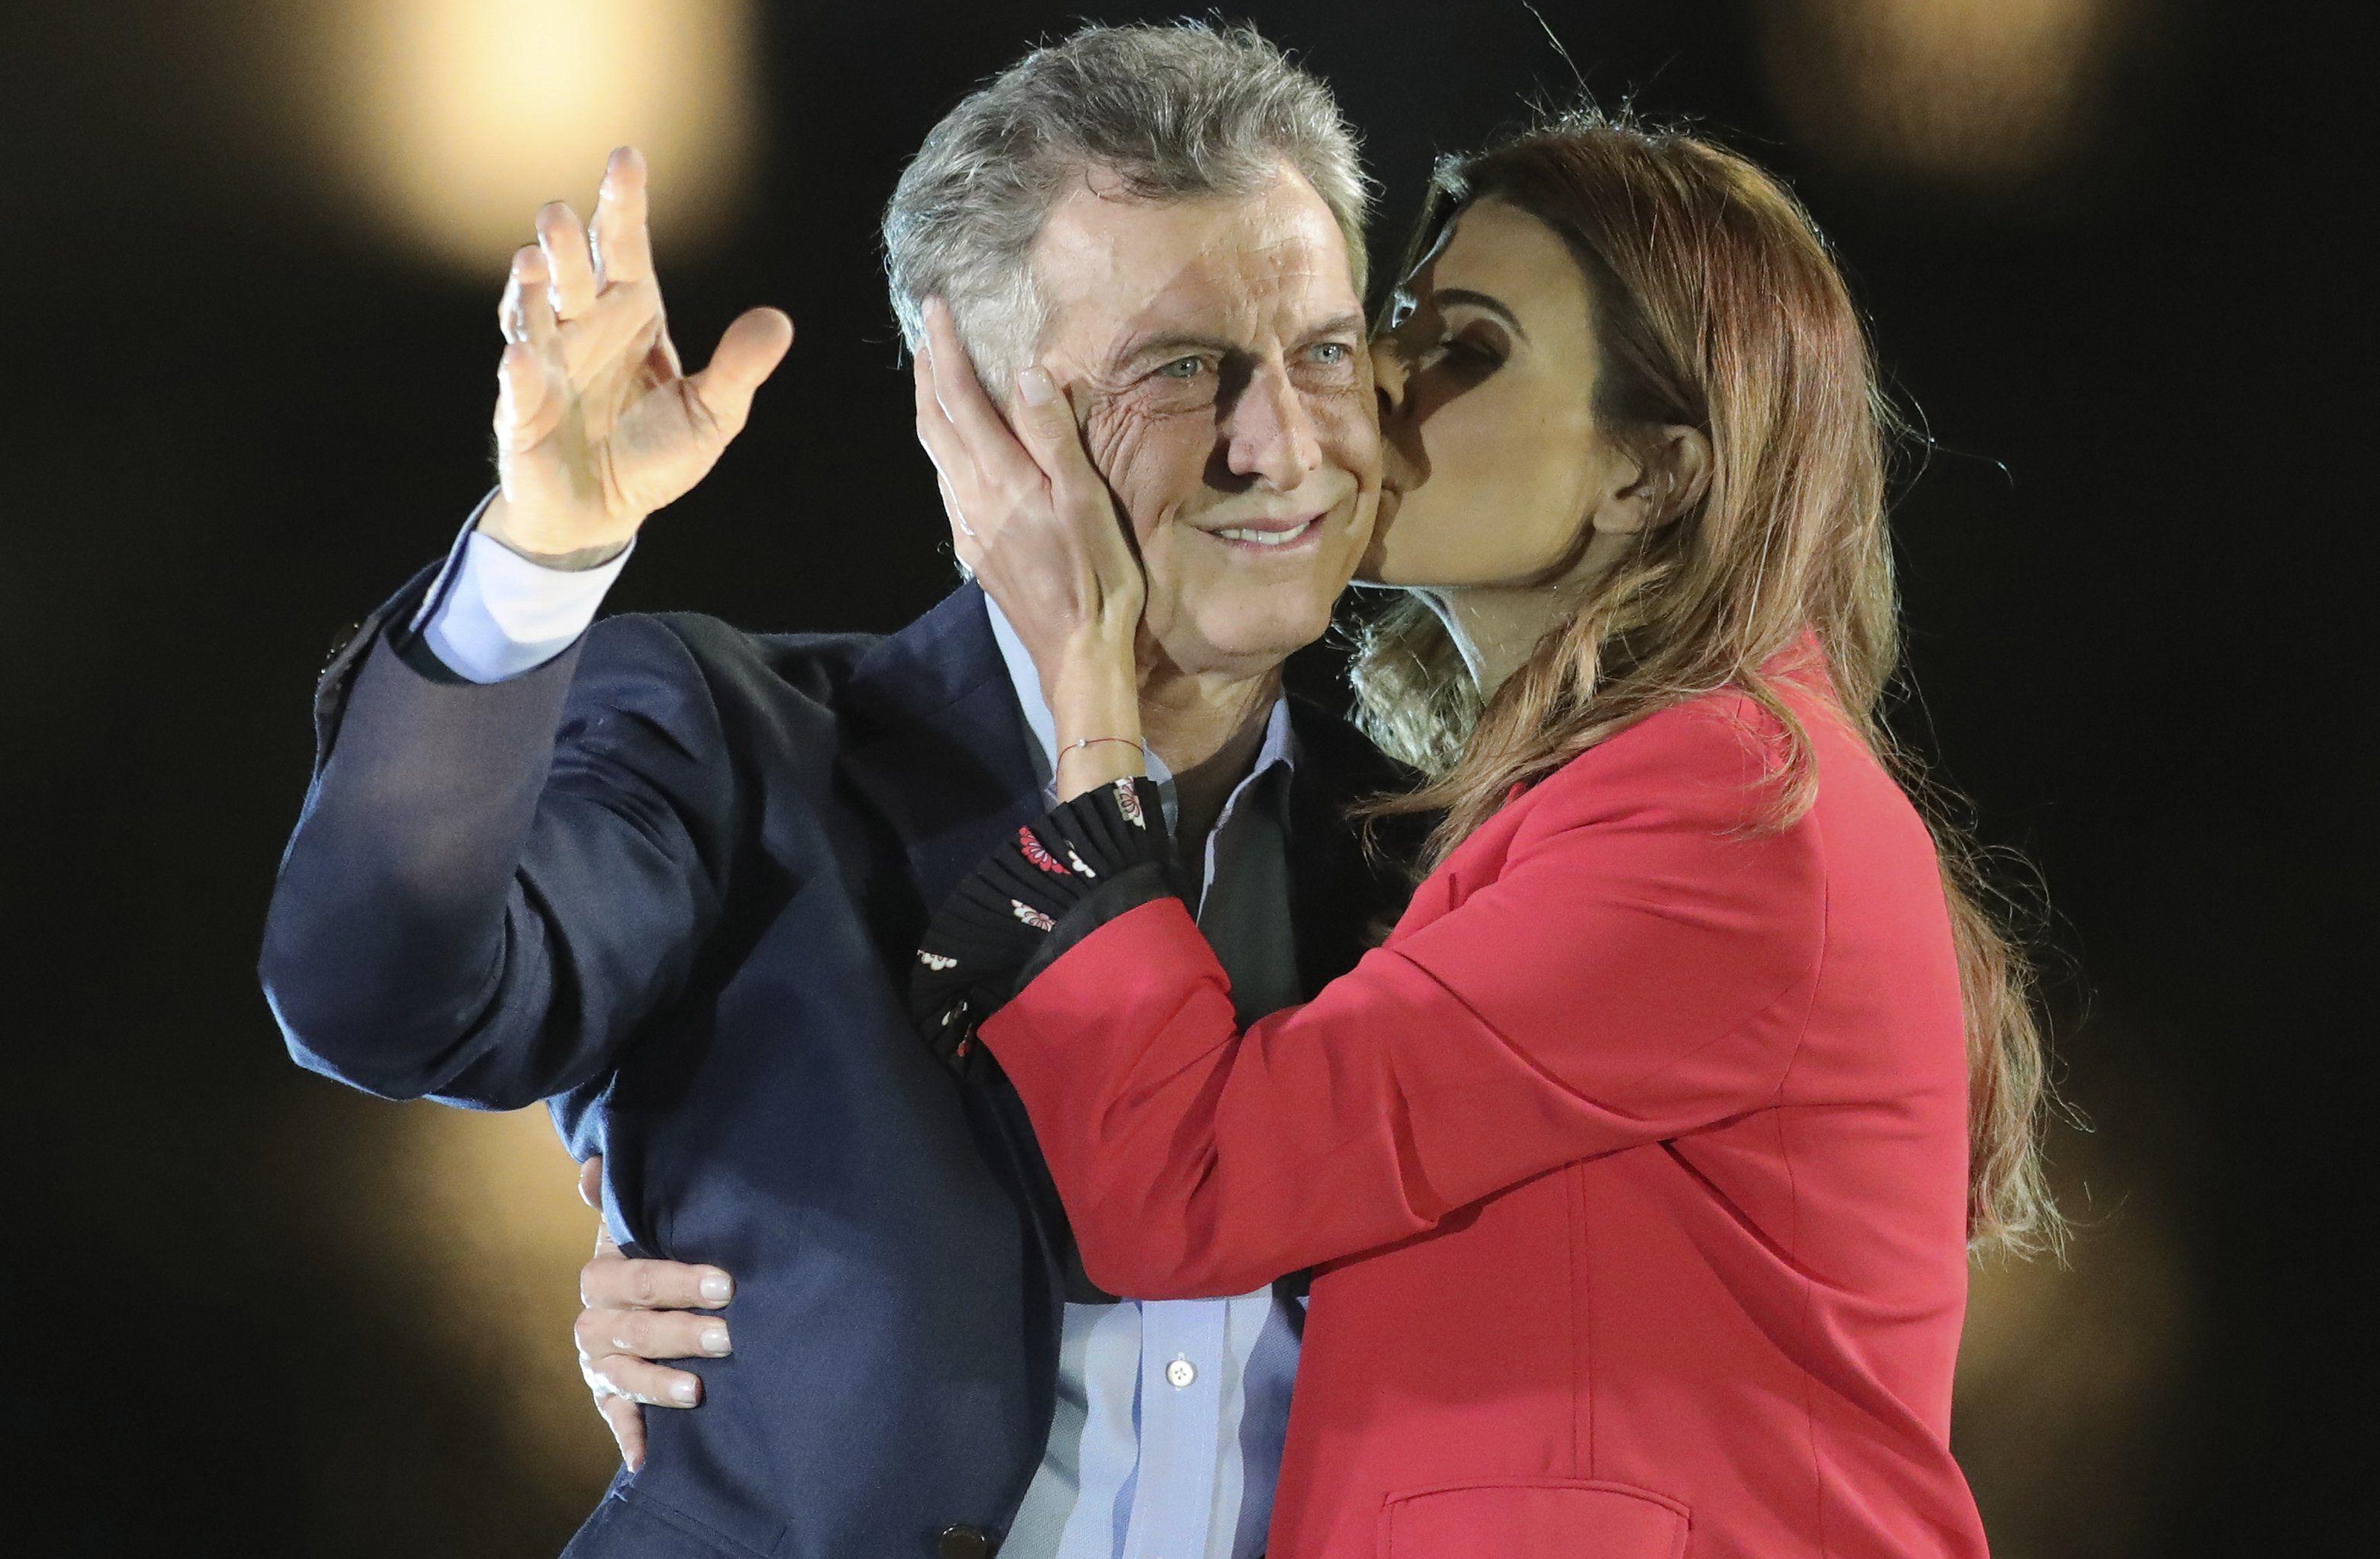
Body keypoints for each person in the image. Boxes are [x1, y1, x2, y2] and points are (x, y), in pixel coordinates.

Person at [592, 120, 2061, 1558]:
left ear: (1650, 477)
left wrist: (1085, 687)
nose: (1379, 394)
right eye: (1397, 322)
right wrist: (746, 1279)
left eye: (1471, 348)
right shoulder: (1554, 811)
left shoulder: (1718, 811)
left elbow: (1193, 1182)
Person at [259, 23, 1417, 1559]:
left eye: (1323, 350)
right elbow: (382, 1000)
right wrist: (537, 563)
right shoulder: (741, 752)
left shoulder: (1447, 853)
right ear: (979, 414)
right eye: (1184, 370)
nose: (1279, 444)